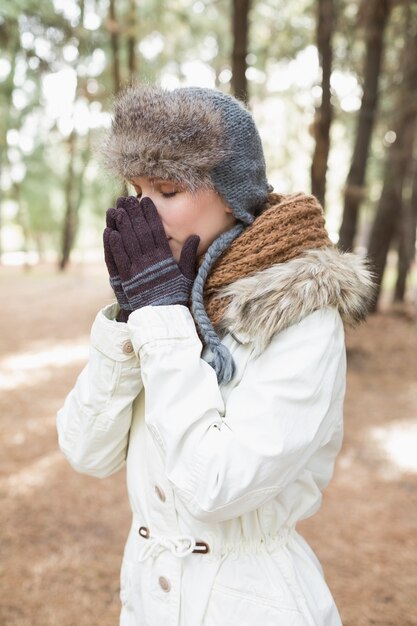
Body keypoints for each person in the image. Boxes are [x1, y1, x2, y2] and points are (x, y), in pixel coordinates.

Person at [56, 84, 374, 626]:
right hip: (148, 602)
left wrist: (162, 320)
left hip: (254, 604)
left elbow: (215, 486)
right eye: (137, 191)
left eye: (169, 188)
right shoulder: (169, 297)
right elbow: (87, 452)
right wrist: (135, 320)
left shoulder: (300, 313)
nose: (147, 215)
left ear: (231, 192)